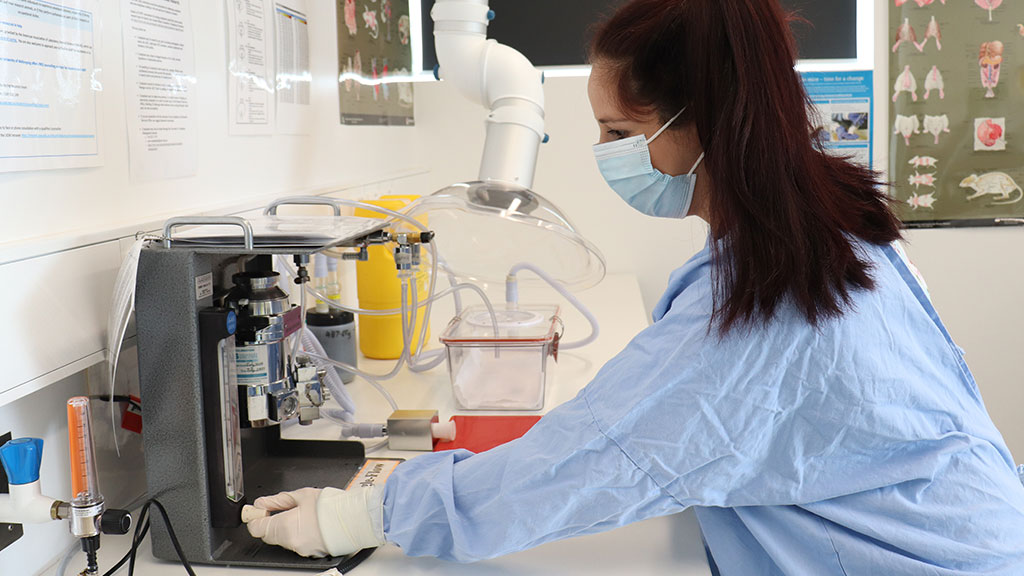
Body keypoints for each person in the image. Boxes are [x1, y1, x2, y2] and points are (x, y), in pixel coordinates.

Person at [246, 0, 1024, 573]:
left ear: (704, 121)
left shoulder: (754, 317)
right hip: (977, 525)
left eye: (619, 133)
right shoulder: (835, 229)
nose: (604, 154)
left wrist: (354, 515)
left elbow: (576, 467)